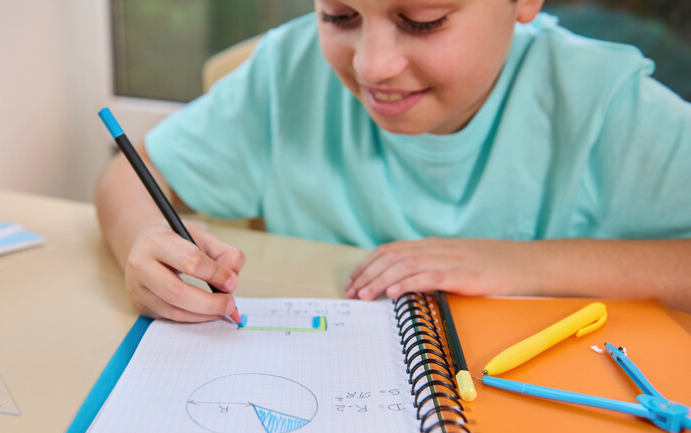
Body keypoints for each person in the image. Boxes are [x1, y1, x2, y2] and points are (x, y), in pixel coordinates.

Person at [95, 0, 691, 322]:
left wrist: (525, 266)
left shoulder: (604, 101)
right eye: (339, 16)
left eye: (422, 21)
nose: (372, 65)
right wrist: (142, 240)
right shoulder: (288, 73)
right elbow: (134, 167)